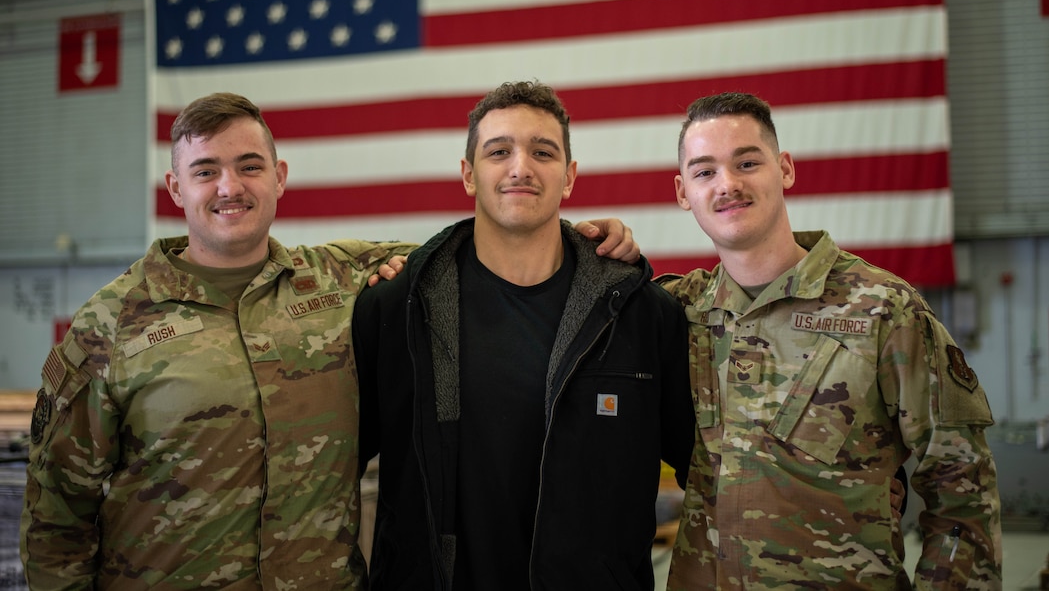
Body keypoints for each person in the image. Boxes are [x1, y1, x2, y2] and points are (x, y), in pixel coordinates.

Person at [19, 92, 637, 590]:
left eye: (249, 166)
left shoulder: (342, 280)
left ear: (279, 177)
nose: (229, 187)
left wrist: (594, 244)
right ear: (177, 188)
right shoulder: (109, 324)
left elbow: (492, 248)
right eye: (205, 171)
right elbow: (55, 516)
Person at [352, 80, 695, 590]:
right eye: (499, 151)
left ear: (569, 176)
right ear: (469, 175)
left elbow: (709, 477)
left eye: (542, 151)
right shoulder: (394, 307)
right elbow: (330, 475)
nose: (521, 167)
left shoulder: (643, 313)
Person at [661, 92, 1003, 589]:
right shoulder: (680, 311)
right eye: (705, 171)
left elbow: (962, 491)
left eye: (747, 162)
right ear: (682, 191)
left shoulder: (884, 310)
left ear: (785, 170)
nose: (728, 184)